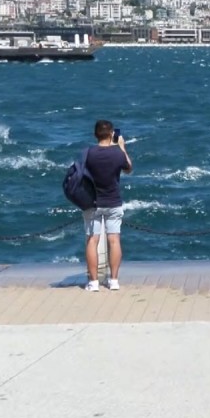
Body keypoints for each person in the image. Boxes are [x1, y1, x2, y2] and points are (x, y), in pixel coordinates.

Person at [84, 120, 133, 292]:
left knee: (92, 240)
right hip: (113, 201)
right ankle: (114, 281)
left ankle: (93, 283)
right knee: (114, 240)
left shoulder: (89, 153)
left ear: (95, 134)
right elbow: (128, 168)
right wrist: (122, 147)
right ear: (112, 134)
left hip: (93, 202)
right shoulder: (117, 153)